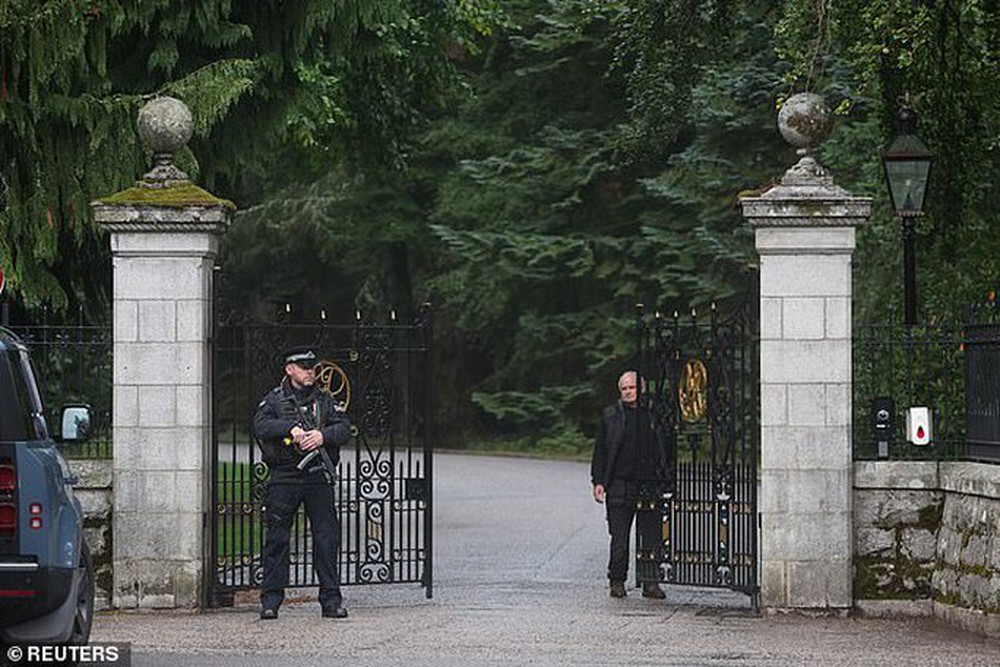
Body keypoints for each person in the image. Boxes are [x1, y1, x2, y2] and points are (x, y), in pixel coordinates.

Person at [253, 345, 352, 620]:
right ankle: (270, 601)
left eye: (312, 368)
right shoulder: (274, 400)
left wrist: (322, 436)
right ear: (289, 369)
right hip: (285, 475)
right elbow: (260, 426)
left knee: (326, 538)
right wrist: (290, 429)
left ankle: (331, 601)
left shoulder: (325, 400)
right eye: (304, 367)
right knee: (277, 538)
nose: (310, 372)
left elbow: (344, 428)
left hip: (318, 475)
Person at [590, 370, 671, 599]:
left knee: (652, 536)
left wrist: (667, 478)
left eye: (631, 388)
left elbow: (667, 447)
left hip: (649, 483)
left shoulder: (654, 414)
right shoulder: (611, 416)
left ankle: (650, 582)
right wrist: (598, 481)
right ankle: (617, 580)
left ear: (641, 389)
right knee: (619, 538)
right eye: (624, 388)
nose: (627, 392)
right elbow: (601, 451)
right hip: (619, 484)